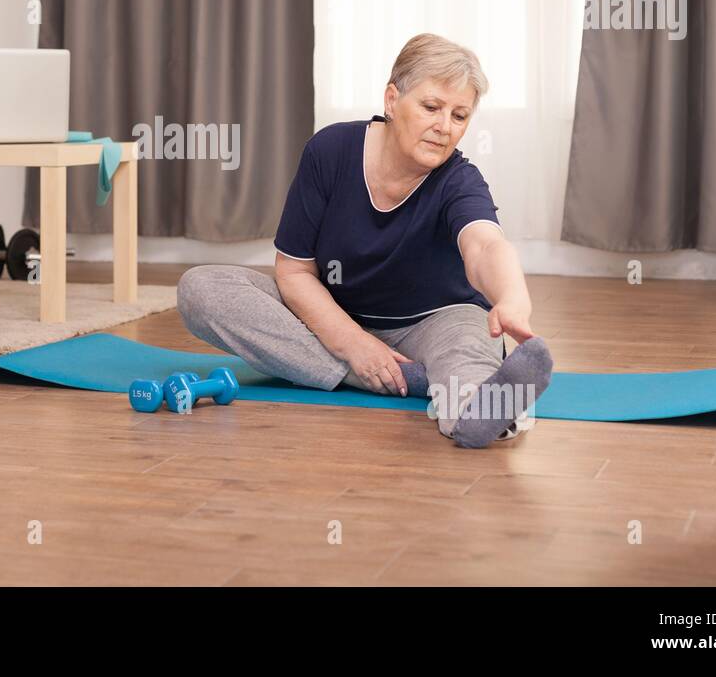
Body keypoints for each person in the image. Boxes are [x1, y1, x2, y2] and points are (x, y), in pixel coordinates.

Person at [177, 33, 553, 447]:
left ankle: (473, 410)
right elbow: (295, 271)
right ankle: (408, 379)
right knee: (203, 288)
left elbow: (484, 245)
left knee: (469, 344)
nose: (444, 127)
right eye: (431, 107)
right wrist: (355, 344)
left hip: (437, 321)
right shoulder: (330, 151)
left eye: (460, 116)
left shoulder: (459, 181)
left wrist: (512, 298)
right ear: (392, 100)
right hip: (333, 317)